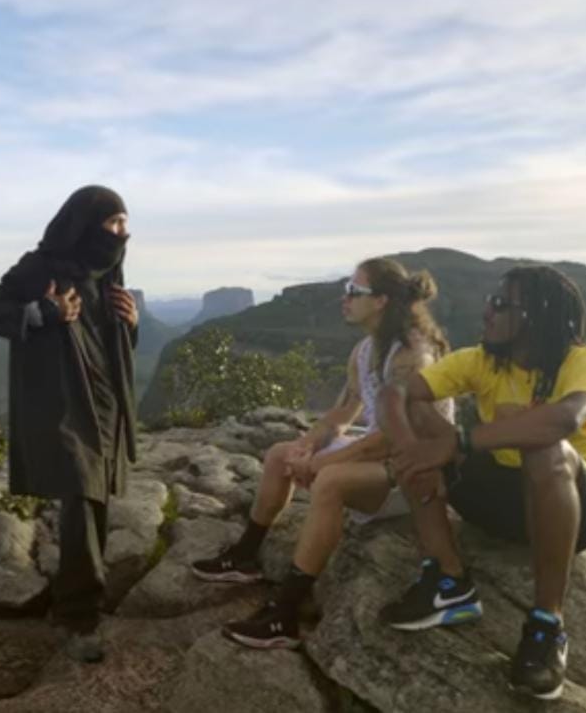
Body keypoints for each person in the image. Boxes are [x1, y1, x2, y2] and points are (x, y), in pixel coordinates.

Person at [377, 264, 586, 700]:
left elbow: (564, 419)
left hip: (577, 508)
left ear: (539, 316)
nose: (487, 311)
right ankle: (450, 583)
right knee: (417, 421)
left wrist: (461, 441)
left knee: (544, 445)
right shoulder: (481, 359)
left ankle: (547, 627)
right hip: (504, 498)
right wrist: (421, 445)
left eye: (502, 304)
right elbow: (397, 393)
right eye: (491, 300)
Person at [191, 257, 454, 649]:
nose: (344, 298)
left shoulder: (412, 356)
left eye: (354, 291)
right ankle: (245, 556)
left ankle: (286, 613)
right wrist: (307, 444)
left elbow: (392, 440)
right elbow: (343, 413)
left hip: (415, 470)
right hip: (380, 456)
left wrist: (322, 463)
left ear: (381, 300)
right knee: (281, 453)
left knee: (330, 481)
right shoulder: (366, 350)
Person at [0, 185, 138, 664]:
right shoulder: (41, 266)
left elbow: (106, 336)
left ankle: (80, 595)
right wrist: (45, 311)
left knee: (95, 498)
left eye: (125, 223)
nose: (122, 232)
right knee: (83, 493)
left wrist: (129, 322)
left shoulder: (109, 269)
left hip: (105, 400)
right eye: (113, 223)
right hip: (63, 399)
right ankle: (79, 617)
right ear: (85, 225)